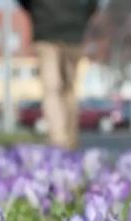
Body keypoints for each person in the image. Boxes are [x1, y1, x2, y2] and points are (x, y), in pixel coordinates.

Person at [18, 0, 98, 150]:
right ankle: (66, 139)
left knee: (52, 89)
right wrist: (82, 16)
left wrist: (37, 11)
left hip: (48, 28)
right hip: (71, 30)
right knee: (67, 89)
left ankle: (59, 139)